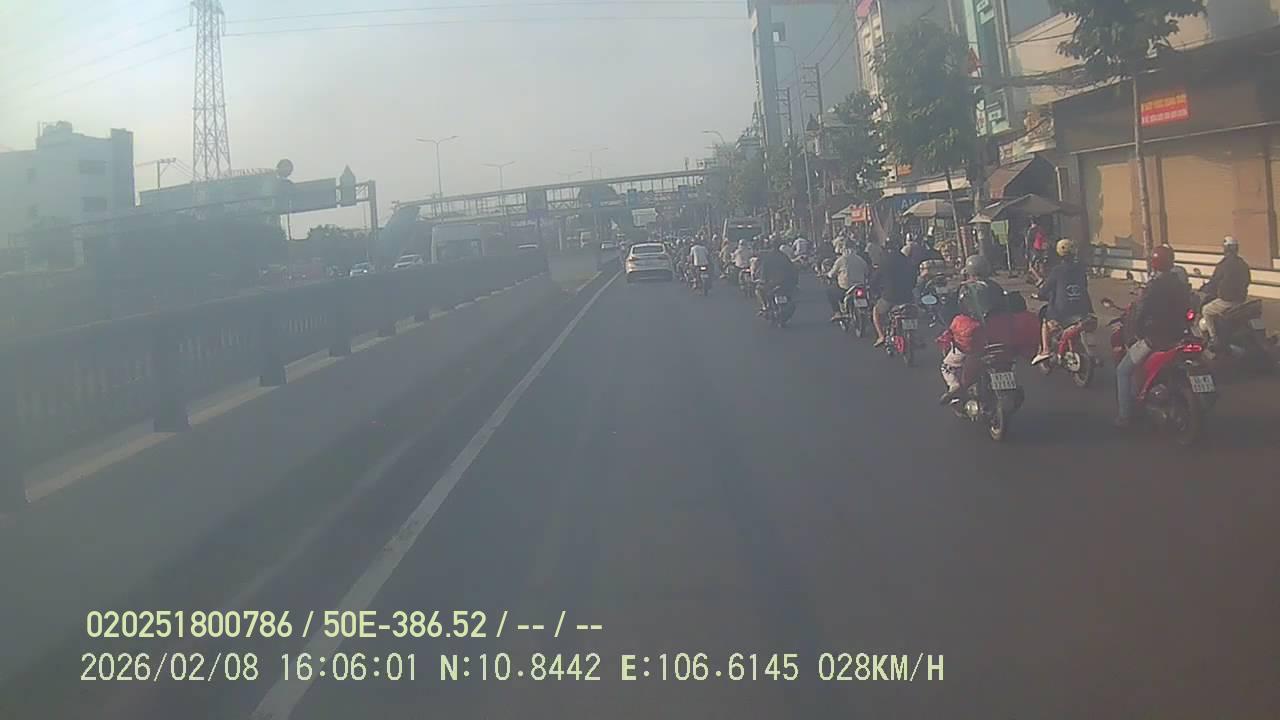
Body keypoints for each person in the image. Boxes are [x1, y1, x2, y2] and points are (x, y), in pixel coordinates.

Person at [1114, 245, 1192, 427]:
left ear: (1155, 263)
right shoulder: (1180, 284)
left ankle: (1125, 416)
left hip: (1156, 338)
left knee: (1123, 371)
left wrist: (1136, 332)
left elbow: (1140, 312)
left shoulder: (1153, 286)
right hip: (1179, 335)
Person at [1032, 239, 1093, 365]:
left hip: (1062, 311)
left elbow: (1046, 288)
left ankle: (1045, 350)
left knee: (1046, 322)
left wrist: (1039, 295)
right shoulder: (1080, 269)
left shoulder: (1057, 270)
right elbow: (1084, 287)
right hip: (1082, 308)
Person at [1199, 235, 1252, 346]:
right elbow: (1248, 280)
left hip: (1227, 300)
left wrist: (1204, 288)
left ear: (1226, 249)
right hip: (1240, 300)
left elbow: (1214, 280)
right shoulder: (1243, 263)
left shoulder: (1224, 264)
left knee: (1205, 310)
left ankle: (1213, 338)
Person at [871, 240, 915, 347]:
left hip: (890, 297)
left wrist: (873, 289)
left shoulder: (884, 262)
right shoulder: (907, 260)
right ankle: (915, 336)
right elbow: (914, 278)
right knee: (912, 315)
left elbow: (875, 279)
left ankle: (881, 336)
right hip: (908, 296)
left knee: (876, 311)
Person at [826, 242, 870, 321]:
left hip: (845, 287)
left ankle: (837, 313)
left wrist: (828, 275)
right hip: (860, 286)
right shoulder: (860, 259)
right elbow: (867, 272)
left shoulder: (841, 260)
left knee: (830, 292)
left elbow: (831, 274)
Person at [756, 238, 799, 314]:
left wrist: (762, 279)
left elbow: (763, 271)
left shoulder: (767, 257)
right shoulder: (784, 256)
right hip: (785, 283)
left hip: (772, 283)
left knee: (758, 289)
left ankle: (765, 306)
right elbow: (792, 269)